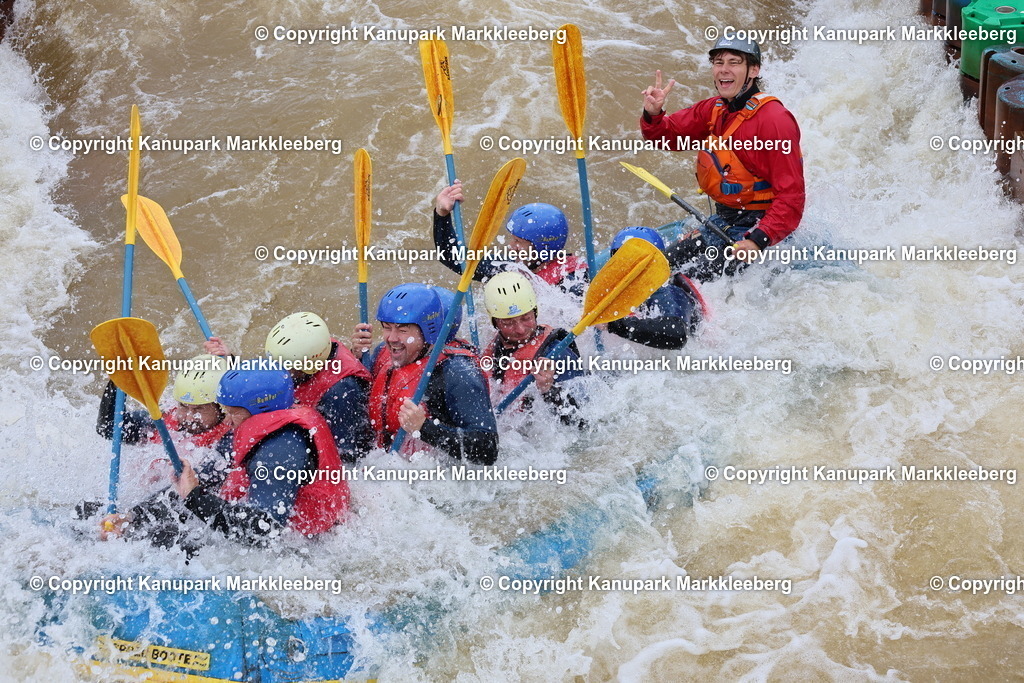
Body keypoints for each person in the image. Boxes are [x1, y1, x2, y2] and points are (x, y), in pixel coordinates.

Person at [639, 36, 804, 282]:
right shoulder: (715, 108)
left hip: (756, 228)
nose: (724, 69)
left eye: (734, 62)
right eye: (718, 62)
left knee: (681, 282)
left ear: (754, 70)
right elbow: (669, 138)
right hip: (723, 220)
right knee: (656, 267)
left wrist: (758, 240)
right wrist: (653, 114)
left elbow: (792, 196)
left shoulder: (774, 121)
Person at [169, 368, 350, 543]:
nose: (227, 420)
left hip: (306, 546)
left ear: (259, 409)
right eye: (225, 411)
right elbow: (210, 473)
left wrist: (194, 496)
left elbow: (263, 530)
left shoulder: (278, 453)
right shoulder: (270, 417)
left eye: (232, 412)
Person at [351, 283, 499, 464]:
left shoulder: (457, 372)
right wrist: (357, 359)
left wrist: (424, 428)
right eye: (387, 327)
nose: (392, 338)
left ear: (428, 331)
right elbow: (371, 395)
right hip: (385, 463)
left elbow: (488, 451)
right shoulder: (385, 351)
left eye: (403, 330)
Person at [205, 312, 372, 464]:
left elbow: (350, 456)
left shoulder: (342, 393)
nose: (278, 371)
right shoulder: (302, 354)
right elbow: (263, 379)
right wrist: (231, 362)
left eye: (285, 367)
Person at [433, 181, 588, 295]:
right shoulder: (513, 268)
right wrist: (442, 214)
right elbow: (452, 256)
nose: (511, 246)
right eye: (513, 239)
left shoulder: (574, 281)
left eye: (518, 242)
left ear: (542, 248)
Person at [480, 271, 585, 423]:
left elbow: (582, 425)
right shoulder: (493, 350)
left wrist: (549, 390)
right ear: (495, 322)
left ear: (535, 312)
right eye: (508, 323)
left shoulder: (557, 353)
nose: (520, 329)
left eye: (526, 318)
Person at [604, 228, 707, 350]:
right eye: (622, 261)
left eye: (636, 262)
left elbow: (678, 335)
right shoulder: (619, 290)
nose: (629, 269)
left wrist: (614, 325)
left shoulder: (670, 293)